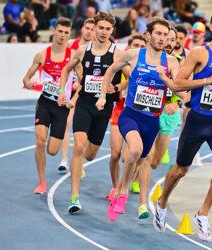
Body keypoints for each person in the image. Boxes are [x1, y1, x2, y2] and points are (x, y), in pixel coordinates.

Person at [152, 10, 212, 241]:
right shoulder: (198, 54)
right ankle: (162, 202)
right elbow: (177, 85)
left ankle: (202, 213)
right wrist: (207, 80)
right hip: (197, 121)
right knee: (180, 171)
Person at [96, 17, 183, 221]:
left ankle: (118, 193)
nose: (162, 39)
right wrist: (102, 95)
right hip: (131, 115)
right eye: (159, 34)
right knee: (134, 150)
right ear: (148, 35)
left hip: (152, 121)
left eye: (165, 35)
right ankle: (123, 192)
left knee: (142, 159)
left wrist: (174, 96)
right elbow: (110, 70)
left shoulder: (171, 62)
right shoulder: (133, 55)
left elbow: (179, 89)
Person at [57, 11, 127, 213]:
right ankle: (74, 197)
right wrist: (62, 90)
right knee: (78, 146)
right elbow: (65, 70)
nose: (104, 32)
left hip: (104, 108)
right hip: (85, 103)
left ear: (112, 30)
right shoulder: (81, 50)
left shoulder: (117, 53)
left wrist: (118, 88)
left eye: (108, 29)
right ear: (94, 28)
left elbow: (130, 78)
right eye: (101, 28)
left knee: (90, 154)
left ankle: (80, 164)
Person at [134, 26, 187, 220]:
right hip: (151, 110)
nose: (168, 42)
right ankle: (140, 201)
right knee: (146, 156)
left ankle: (137, 172)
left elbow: (187, 91)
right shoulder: (149, 59)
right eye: (166, 38)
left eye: (172, 39)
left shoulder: (178, 63)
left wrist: (178, 103)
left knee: (155, 162)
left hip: (170, 113)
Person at [22, 17, 73, 194]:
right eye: (60, 31)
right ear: (54, 30)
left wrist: (73, 96)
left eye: (66, 32)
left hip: (61, 108)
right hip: (45, 103)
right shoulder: (42, 54)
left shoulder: (73, 56)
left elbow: (81, 81)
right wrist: (28, 83)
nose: (62, 35)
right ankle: (42, 182)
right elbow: (27, 77)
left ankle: (53, 158)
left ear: (69, 34)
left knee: (52, 150)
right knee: (39, 141)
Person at [106, 34, 147, 203]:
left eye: (140, 45)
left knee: (128, 156)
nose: (137, 47)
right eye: (134, 44)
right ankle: (115, 187)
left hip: (136, 113)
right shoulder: (122, 61)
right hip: (119, 111)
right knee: (115, 155)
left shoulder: (146, 65)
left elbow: (133, 80)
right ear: (129, 46)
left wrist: (117, 87)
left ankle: (131, 180)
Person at [56, 18, 96, 173]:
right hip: (69, 90)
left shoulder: (96, 48)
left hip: (86, 91)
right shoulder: (71, 43)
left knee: (84, 129)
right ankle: (65, 160)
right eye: (87, 28)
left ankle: (79, 158)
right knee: (66, 122)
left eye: (92, 29)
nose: (89, 31)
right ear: (82, 29)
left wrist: (80, 80)